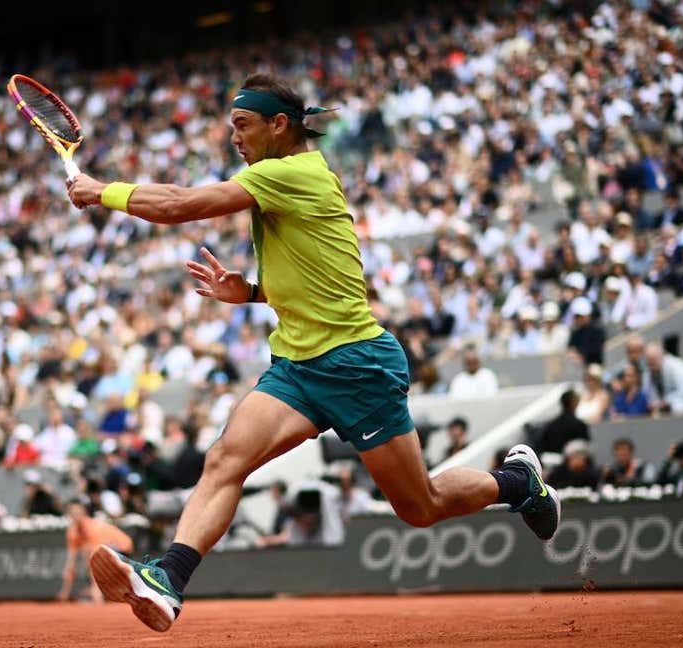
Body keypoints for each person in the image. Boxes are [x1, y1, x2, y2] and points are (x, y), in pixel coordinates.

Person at [67, 73, 560, 632]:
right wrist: (250, 291)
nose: (235, 137)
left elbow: (180, 205)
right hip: (298, 367)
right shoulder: (278, 178)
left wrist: (100, 190)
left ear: (280, 126)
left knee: (420, 507)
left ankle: (519, 482)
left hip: (357, 364)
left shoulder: (291, 173)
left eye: (243, 125)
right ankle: (169, 579)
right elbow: (316, 278)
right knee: (226, 459)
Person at [58, 501, 133, 603]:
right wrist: (65, 592)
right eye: (73, 513)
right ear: (69, 515)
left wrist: (95, 590)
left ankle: (97, 592)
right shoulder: (72, 532)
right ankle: (96, 591)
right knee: (87, 553)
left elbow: (94, 561)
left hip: (122, 547)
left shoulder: (93, 528)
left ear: (84, 513)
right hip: (107, 550)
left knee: (90, 555)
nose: (76, 516)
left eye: (78, 513)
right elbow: (71, 563)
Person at [644, 343, 683, 414]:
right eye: (648, 361)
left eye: (653, 360)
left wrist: (665, 402)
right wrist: (653, 403)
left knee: (677, 407)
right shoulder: (649, 371)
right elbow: (648, 392)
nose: (651, 364)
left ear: (661, 356)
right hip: (664, 407)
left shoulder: (677, 366)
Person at [536, 389, 590, 455]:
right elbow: (584, 448)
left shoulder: (551, 425)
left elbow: (540, 446)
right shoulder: (580, 425)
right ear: (574, 402)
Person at [567, 298, 605, 366]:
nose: (578, 319)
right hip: (578, 368)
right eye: (576, 316)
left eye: (579, 316)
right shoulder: (576, 333)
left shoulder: (597, 331)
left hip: (594, 366)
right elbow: (571, 348)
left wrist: (580, 355)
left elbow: (596, 350)